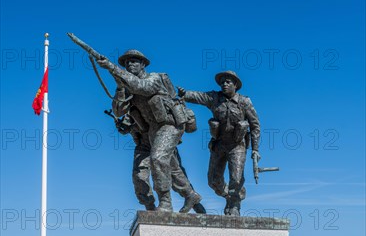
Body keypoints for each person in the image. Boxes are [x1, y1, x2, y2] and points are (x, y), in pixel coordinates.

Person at [98, 49, 201, 212]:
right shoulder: (127, 87)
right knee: (148, 173)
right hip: (148, 133)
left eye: (134, 61)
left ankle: (166, 203)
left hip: (169, 126)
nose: (129, 64)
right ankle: (185, 196)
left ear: (143, 64)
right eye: (126, 63)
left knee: (158, 159)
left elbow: (142, 87)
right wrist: (119, 86)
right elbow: (118, 111)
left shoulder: (155, 78)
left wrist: (112, 67)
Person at [177, 71, 260, 216]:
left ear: (235, 85)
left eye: (228, 82)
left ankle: (234, 205)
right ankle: (231, 195)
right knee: (213, 181)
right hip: (219, 144)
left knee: (236, 178)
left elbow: (255, 126)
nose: (224, 84)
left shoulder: (244, 102)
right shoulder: (214, 98)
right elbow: (199, 97)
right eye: (222, 82)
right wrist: (185, 94)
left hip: (237, 145)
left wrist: (255, 149)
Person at [112, 87, 205, 213]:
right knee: (139, 176)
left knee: (174, 173)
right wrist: (123, 127)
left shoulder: (156, 95)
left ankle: (193, 200)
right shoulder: (131, 106)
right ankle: (151, 208)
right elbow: (128, 125)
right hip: (144, 144)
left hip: (161, 141)